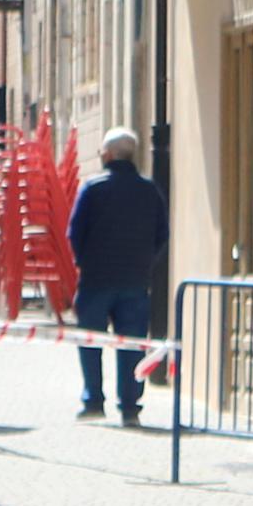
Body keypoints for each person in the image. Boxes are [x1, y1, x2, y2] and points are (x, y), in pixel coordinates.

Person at [64, 127, 167, 427]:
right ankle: (130, 407)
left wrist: (84, 263)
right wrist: (146, 262)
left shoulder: (93, 188)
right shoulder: (149, 190)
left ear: (107, 155)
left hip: (96, 279)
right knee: (132, 344)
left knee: (90, 341)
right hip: (135, 280)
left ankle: (94, 400)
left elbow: (74, 233)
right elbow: (162, 234)